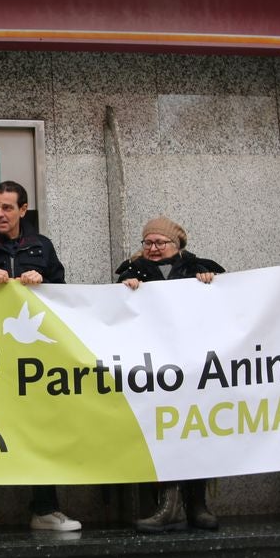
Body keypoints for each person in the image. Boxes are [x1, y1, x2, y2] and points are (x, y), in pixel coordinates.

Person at [0, 180, 81, 535]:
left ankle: (46, 509)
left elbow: (65, 297)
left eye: (7, 207)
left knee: (40, 429)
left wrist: (44, 281)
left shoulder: (42, 247)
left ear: (24, 210)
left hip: (35, 359)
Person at [117, 217, 225, 533]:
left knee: (194, 434)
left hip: (191, 368)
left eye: (159, 243)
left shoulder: (199, 267)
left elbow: (225, 301)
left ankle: (197, 505)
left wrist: (210, 280)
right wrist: (127, 291)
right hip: (154, 371)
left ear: (175, 245)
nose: (152, 248)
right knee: (160, 435)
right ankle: (166, 506)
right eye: (147, 242)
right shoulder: (131, 273)